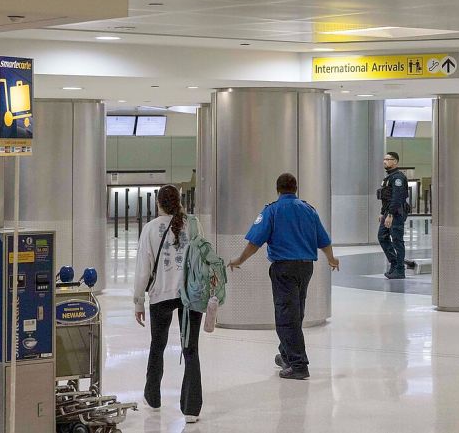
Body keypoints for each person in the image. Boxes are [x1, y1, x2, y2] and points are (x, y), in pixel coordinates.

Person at [228, 173, 340, 380]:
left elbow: (255, 242)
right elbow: (323, 240)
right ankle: (287, 354)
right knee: (296, 312)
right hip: (306, 268)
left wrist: (239, 260)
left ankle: (298, 365)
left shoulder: (272, 210)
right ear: (296, 188)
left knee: (286, 316)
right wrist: (332, 259)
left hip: (284, 269)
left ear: (277, 189)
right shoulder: (309, 210)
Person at [133, 184, 203, 423]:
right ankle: (191, 409)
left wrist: (138, 301)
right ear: (180, 201)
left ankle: (152, 398)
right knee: (190, 349)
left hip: (160, 294)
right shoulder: (193, 225)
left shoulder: (151, 229)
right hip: (191, 295)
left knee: (158, 345)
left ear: (158, 203)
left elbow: (143, 268)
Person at [378, 151, 409, 279]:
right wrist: (382, 213)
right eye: (384, 159)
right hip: (388, 212)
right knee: (382, 237)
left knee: (397, 240)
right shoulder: (389, 177)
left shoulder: (398, 178)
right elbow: (386, 197)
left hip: (396, 213)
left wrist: (390, 214)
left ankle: (400, 269)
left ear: (395, 162)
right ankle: (394, 263)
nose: (385, 161)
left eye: (388, 159)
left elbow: (397, 198)